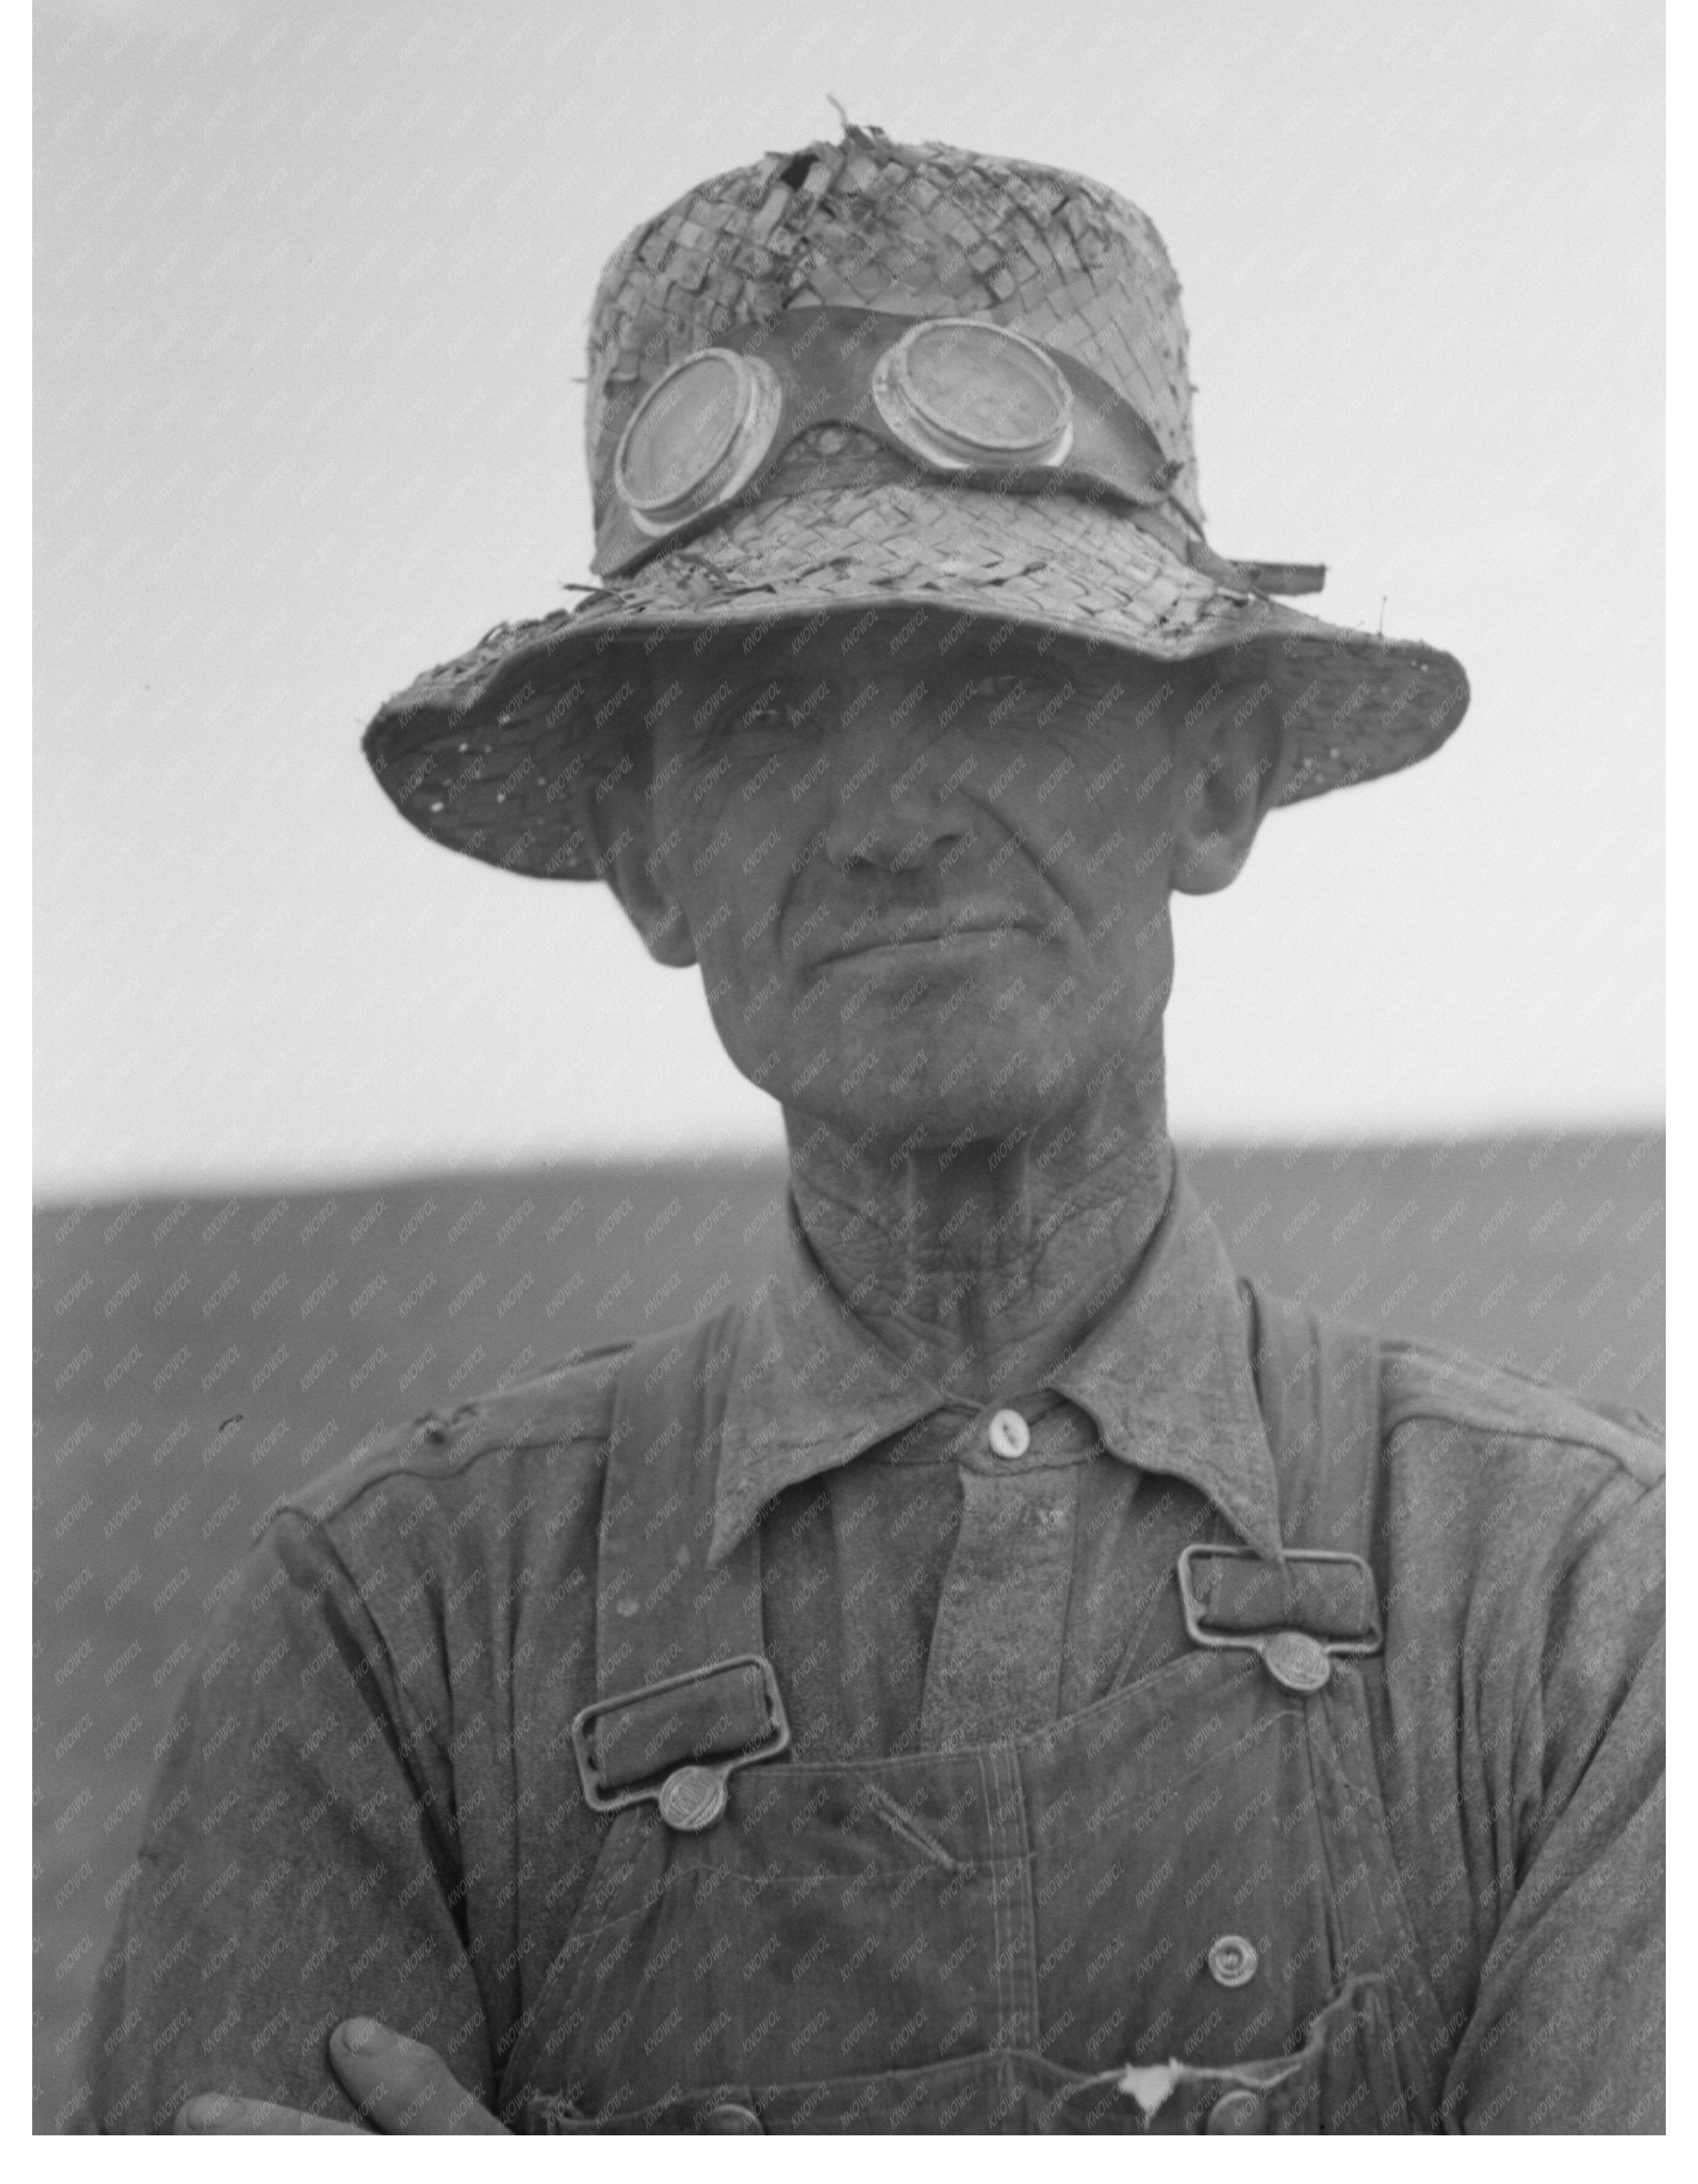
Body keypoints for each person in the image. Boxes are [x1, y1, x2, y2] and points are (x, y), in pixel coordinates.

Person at [87, 126, 1663, 2135]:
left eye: (997, 678)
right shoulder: (392, 1632)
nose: (890, 819)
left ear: (1217, 780)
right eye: (764, 715)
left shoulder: (1580, 1600)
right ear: (648, 860)